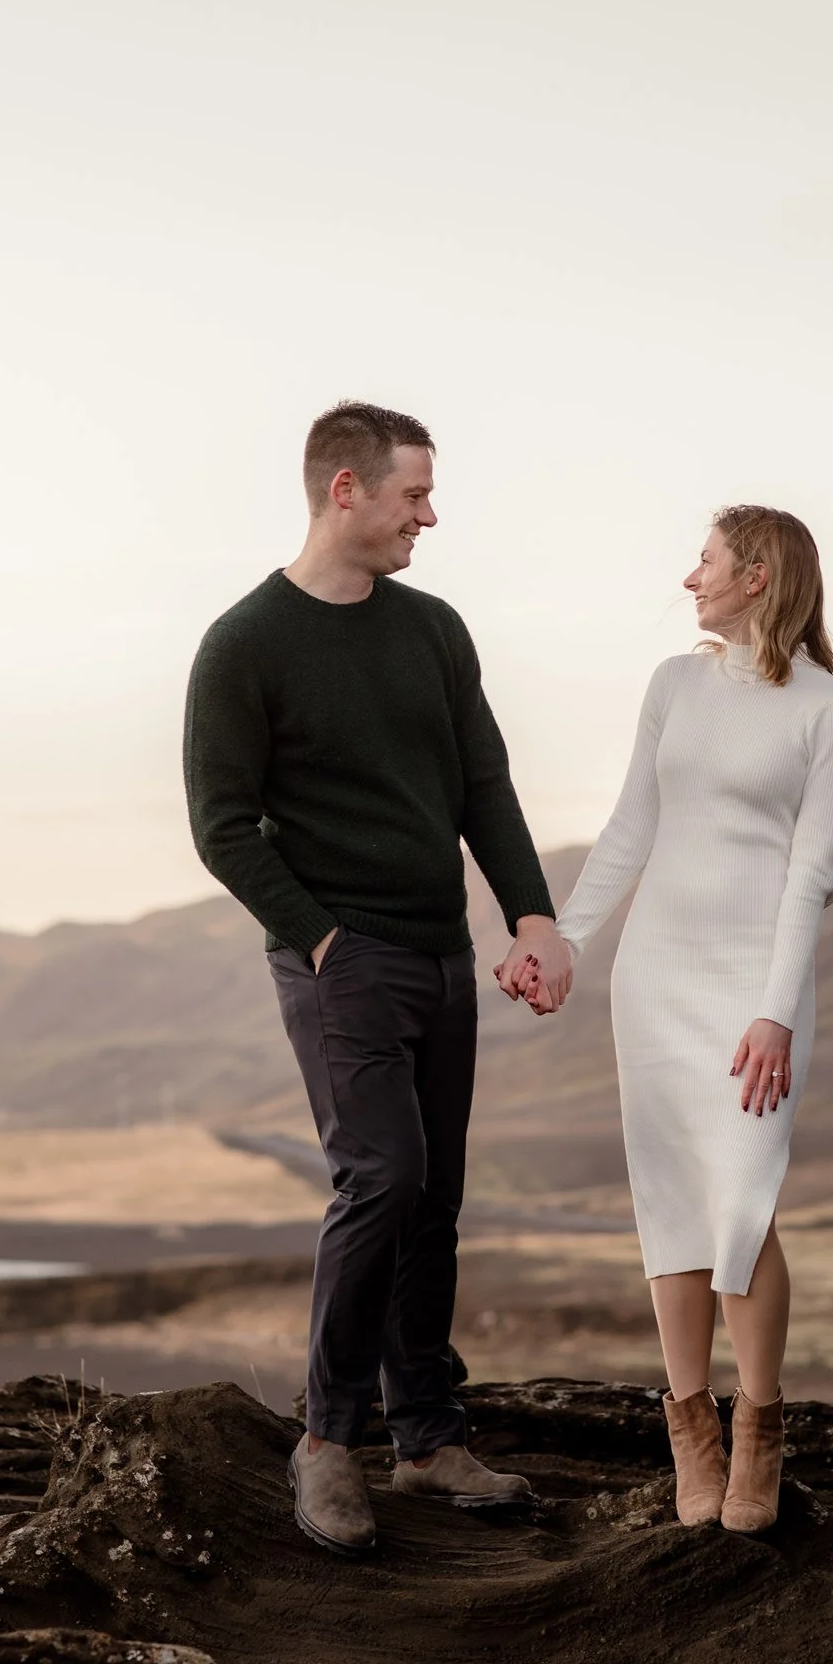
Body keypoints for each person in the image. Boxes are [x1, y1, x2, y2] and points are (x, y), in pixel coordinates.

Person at [184, 400, 573, 1556]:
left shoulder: (434, 630)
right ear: (344, 490)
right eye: (413, 494)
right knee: (382, 1176)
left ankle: (426, 1437)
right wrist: (320, 940)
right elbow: (221, 825)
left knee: (435, 1195)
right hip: (340, 960)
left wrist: (532, 912)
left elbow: (483, 787)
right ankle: (327, 1439)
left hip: (442, 955)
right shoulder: (245, 642)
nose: (430, 514)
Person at [499, 506, 833, 1534]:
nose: (689, 574)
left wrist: (776, 1009)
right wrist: (564, 936)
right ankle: (689, 1426)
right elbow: (631, 826)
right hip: (655, 976)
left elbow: (812, 876)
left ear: (757, 574)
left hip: (754, 981)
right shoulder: (673, 684)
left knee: (742, 1196)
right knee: (670, 1202)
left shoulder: (832, 712)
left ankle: (760, 1421)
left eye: (705, 559)